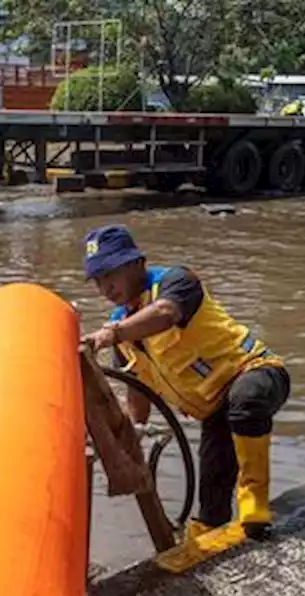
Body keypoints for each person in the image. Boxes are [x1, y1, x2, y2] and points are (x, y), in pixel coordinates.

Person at [80, 225, 290, 543]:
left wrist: (112, 333)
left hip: (258, 372)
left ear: (137, 263)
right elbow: (138, 403)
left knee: (246, 401)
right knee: (211, 509)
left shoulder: (176, 282)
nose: (105, 288)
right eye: (97, 280)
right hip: (216, 409)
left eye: (110, 273)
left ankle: (255, 508)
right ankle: (207, 539)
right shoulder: (124, 334)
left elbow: (166, 313)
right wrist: (116, 435)